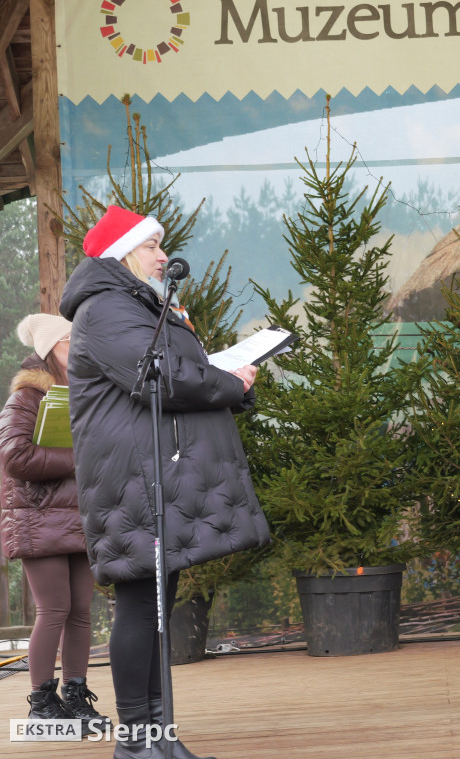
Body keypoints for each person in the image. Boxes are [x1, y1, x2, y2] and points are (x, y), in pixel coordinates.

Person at [59, 205, 271, 759]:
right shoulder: (105, 309)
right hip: (131, 482)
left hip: (147, 476)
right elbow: (162, 376)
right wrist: (229, 382)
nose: (161, 255)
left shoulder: (136, 305)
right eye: (152, 246)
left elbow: (171, 370)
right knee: (138, 606)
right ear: (122, 253)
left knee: (154, 606)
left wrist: (225, 377)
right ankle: (136, 742)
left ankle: (158, 735)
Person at [0, 314, 111, 731]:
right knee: (54, 610)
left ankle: (76, 696)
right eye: (68, 342)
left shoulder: (86, 394)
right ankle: (42, 702)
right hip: (37, 519)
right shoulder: (25, 399)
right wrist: (81, 461)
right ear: (49, 351)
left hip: (80, 515)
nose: (79, 348)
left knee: (81, 611)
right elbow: (15, 458)